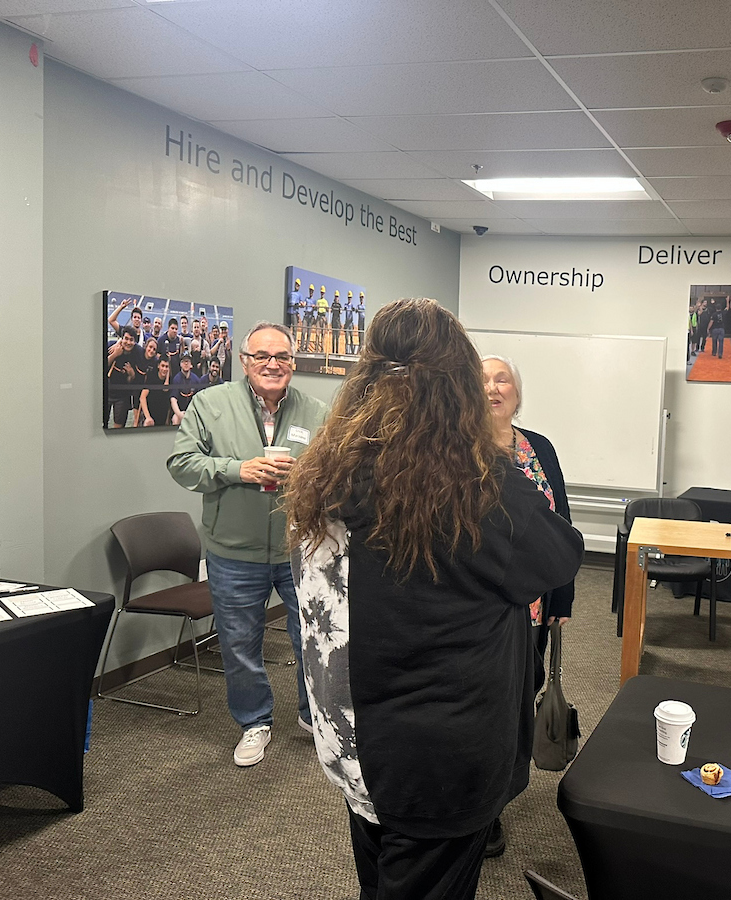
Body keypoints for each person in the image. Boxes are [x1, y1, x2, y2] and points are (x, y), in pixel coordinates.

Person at [285, 299, 582, 900]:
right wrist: (494, 450)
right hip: (437, 757)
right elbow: (557, 556)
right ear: (457, 387)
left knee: (382, 874)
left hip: (353, 740)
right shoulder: (471, 483)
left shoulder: (328, 465)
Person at [167, 322, 329, 767]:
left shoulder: (318, 411)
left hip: (302, 551)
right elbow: (182, 464)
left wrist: (309, 477)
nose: (272, 365)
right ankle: (254, 723)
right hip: (232, 552)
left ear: (294, 363)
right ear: (244, 361)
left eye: (282, 357)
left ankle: (312, 717)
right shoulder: (210, 404)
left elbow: (339, 472)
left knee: (313, 640)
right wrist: (237, 469)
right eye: (262, 356)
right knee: (240, 644)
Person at [481, 353, 579, 858]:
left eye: (503, 380)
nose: (493, 388)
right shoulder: (457, 449)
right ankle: (485, 810)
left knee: (525, 692)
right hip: (482, 608)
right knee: (487, 705)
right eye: (482, 380)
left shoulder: (538, 447)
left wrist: (562, 593)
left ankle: (502, 787)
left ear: (517, 392)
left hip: (534, 606)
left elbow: (560, 521)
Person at [139, 356, 173, 427]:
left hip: (162, 417)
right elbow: (142, 397)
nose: (164, 369)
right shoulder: (151, 377)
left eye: (167, 367)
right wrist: (148, 417)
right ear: (158, 366)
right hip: (150, 416)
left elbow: (169, 401)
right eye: (162, 366)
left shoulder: (171, 381)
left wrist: (167, 419)